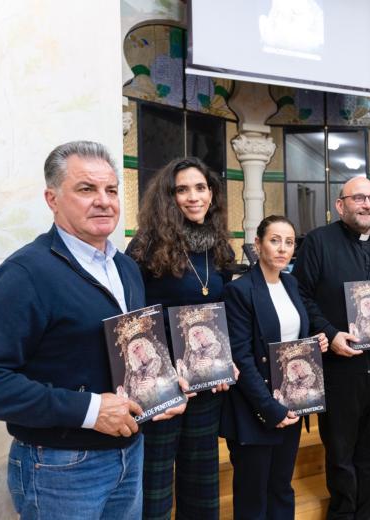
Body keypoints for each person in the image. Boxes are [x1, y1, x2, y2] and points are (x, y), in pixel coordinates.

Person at [0, 141, 185, 519]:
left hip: (130, 454)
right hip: (61, 468)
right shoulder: (25, 275)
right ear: (52, 199)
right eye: (86, 189)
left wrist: (160, 388)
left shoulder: (125, 267)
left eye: (111, 190)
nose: (104, 201)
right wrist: (90, 409)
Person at [292, 176, 370, 519]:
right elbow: (301, 295)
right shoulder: (318, 242)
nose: (367, 204)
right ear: (340, 204)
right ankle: (344, 511)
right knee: (341, 447)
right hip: (339, 366)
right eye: (358, 198)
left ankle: (366, 509)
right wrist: (330, 334)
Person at [127, 156, 236, 519]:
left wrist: (226, 360)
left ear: (212, 194)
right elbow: (133, 322)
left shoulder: (220, 246)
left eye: (201, 188)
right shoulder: (144, 247)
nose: (194, 197)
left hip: (205, 383)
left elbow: (222, 311)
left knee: (201, 484)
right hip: (160, 386)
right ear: (168, 197)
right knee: (154, 490)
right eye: (182, 189)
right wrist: (164, 377)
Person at [221, 215, 329, 519]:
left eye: (289, 242)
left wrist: (314, 342)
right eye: (275, 240)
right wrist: (270, 408)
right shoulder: (239, 291)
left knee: (281, 488)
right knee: (253, 496)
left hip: (291, 403)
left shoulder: (291, 283)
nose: (283, 248)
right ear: (257, 244)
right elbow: (241, 356)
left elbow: (291, 338)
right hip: (257, 408)